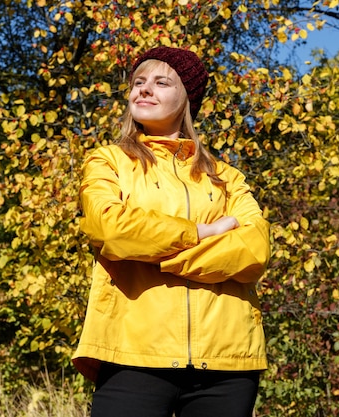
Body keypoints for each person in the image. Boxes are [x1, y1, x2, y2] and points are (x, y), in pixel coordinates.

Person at [72, 46, 271, 417]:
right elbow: (110, 230)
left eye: (161, 82)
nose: (144, 90)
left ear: (188, 100)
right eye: (138, 82)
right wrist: (202, 231)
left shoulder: (227, 178)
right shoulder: (108, 161)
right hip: (133, 353)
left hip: (227, 363)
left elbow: (254, 251)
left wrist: (153, 254)